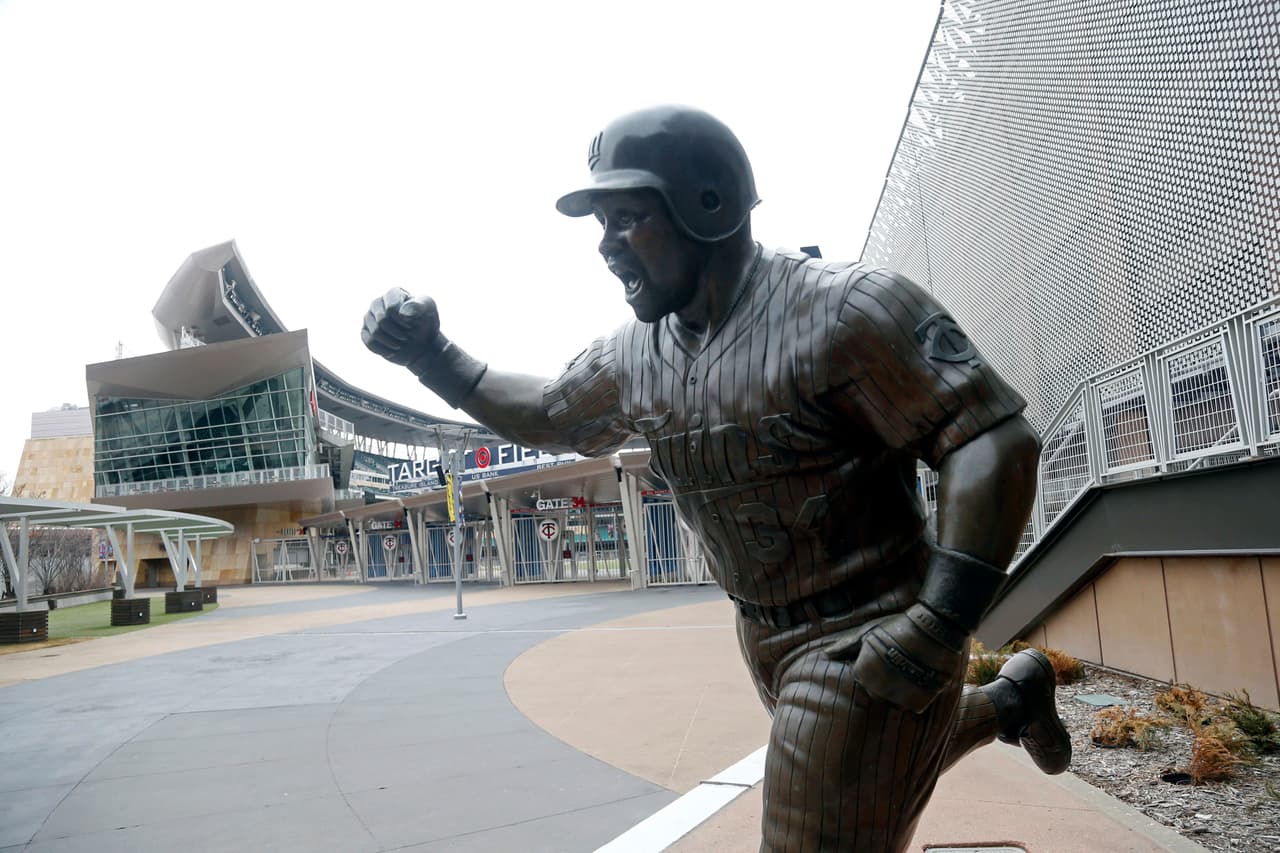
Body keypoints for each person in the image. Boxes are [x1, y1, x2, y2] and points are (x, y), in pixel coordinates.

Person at [362, 105, 1070, 852]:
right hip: (765, 630)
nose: (605, 246)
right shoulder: (633, 356)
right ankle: (1011, 699)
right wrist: (432, 355)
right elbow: (548, 413)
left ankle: (989, 696)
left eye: (626, 217)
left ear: (708, 206)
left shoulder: (848, 309)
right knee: (875, 756)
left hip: (874, 624)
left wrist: (936, 625)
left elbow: (991, 438)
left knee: (821, 810)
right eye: (600, 224)